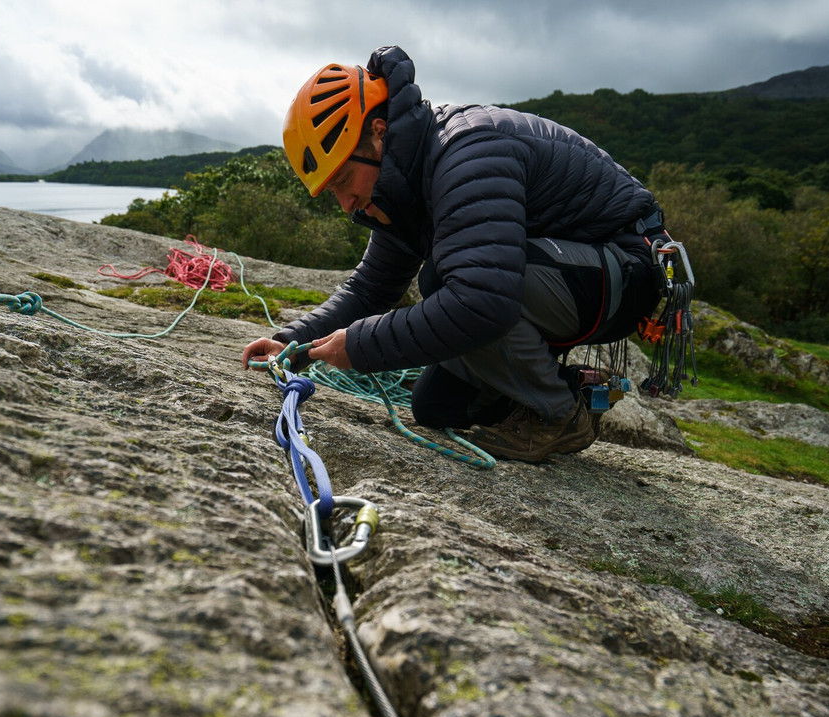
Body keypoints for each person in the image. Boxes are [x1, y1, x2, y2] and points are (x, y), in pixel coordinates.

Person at [242, 45, 669, 463]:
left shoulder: (467, 152)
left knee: (454, 287)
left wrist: (358, 345)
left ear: (378, 133)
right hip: (572, 275)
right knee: (435, 406)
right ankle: (563, 387)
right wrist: (290, 343)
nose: (346, 203)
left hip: (625, 271)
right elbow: (372, 288)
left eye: (344, 180)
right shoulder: (405, 183)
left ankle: (560, 412)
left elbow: (482, 300)